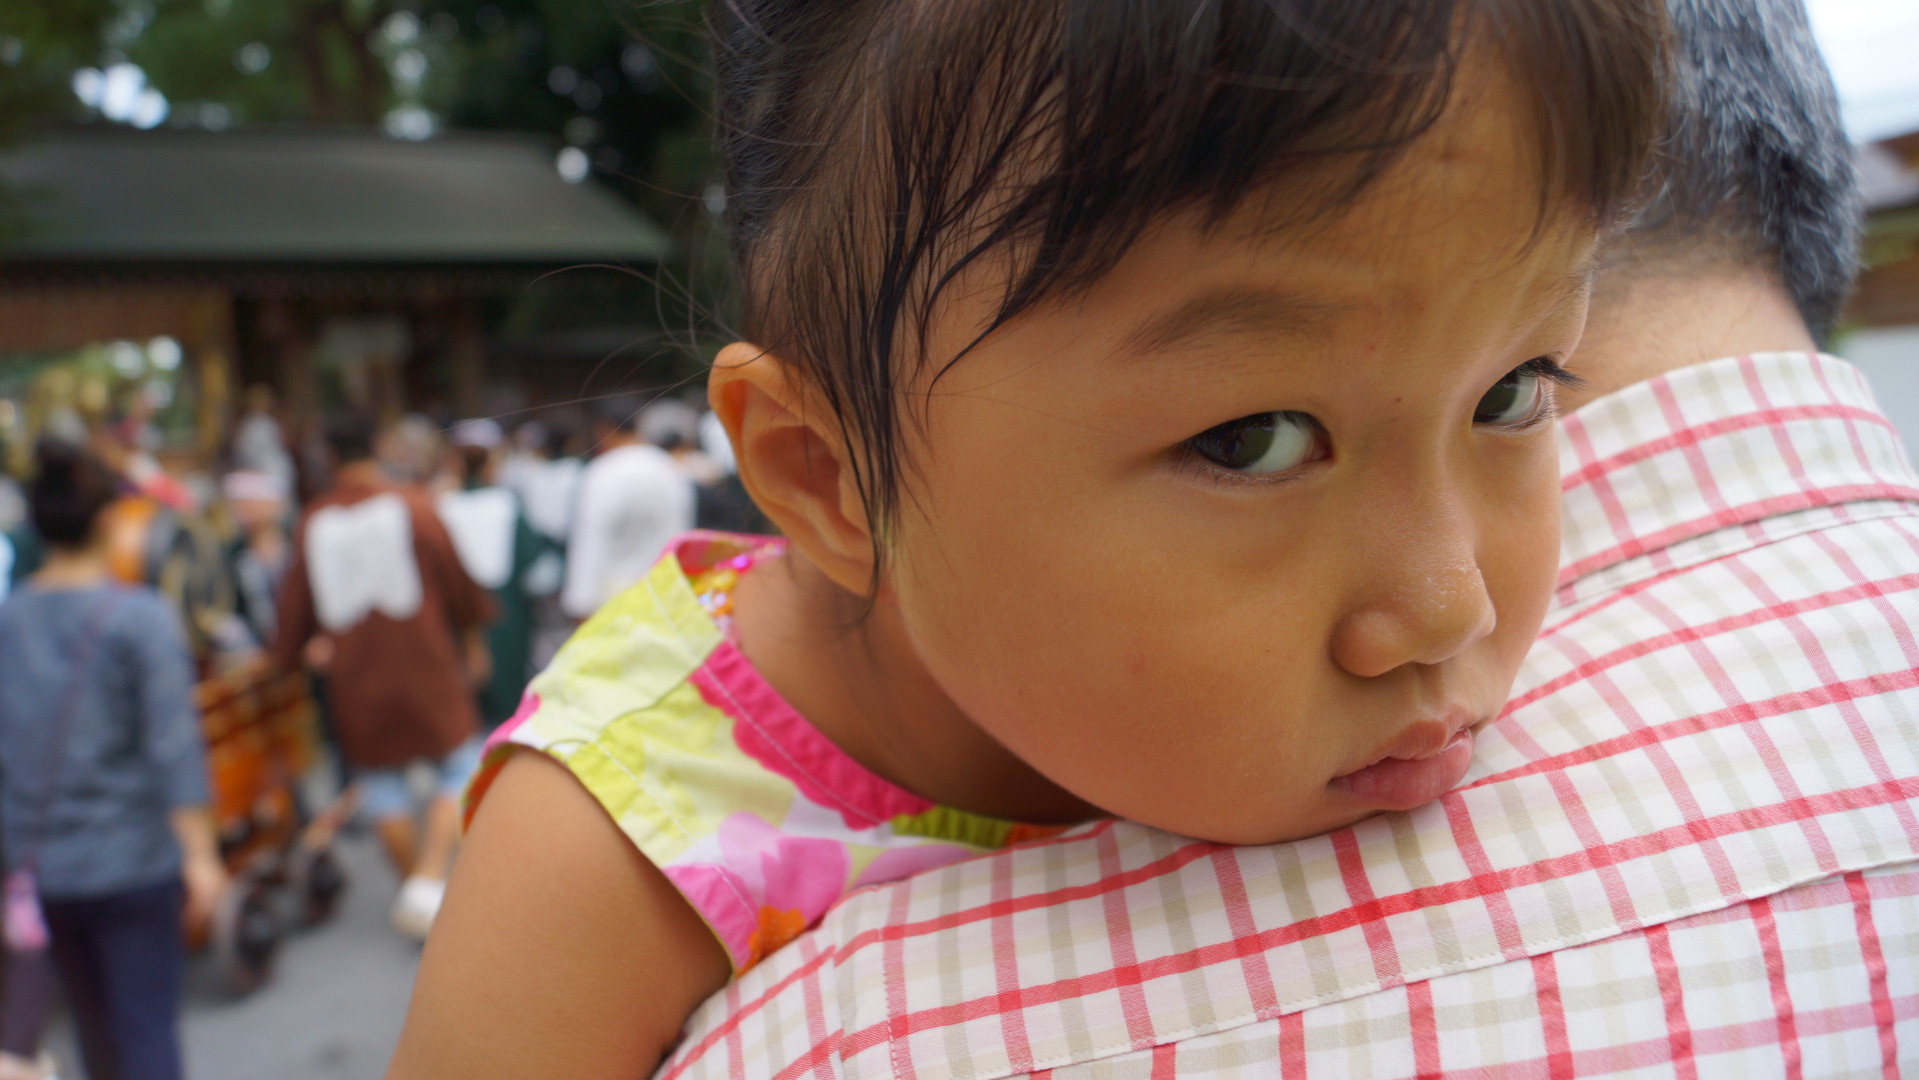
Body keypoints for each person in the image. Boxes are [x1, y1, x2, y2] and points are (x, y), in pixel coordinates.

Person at [575, 2, 1919, 1078]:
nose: (1447, 606)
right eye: (1251, 441)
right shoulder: (622, 844)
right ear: (831, 477)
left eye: (1513, 391)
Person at [0, 440, 225, 1080]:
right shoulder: (139, 618)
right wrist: (201, 855)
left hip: (45, 867)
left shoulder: (9, 622)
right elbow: (173, 746)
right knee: (146, 1029)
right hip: (134, 863)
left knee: (94, 1033)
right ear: (107, 520)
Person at [272, 414, 494, 940]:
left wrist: (284, 660)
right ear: (377, 446)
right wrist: (472, 639)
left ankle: (420, 891)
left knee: (381, 782)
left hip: (357, 675)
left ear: (328, 458)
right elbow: (457, 582)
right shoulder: (414, 506)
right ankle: (429, 879)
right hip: (425, 661)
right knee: (458, 763)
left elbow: (293, 609)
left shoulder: (312, 522)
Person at [437, 421, 556, 730]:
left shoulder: (443, 506)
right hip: (506, 612)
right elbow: (532, 558)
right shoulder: (506, 502)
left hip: (460, 618)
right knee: (510, 697)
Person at [556, 398, 695, 620]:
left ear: (602, 429)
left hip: (616, 603)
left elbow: (591, 541)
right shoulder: (670, 467)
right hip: (666, 596)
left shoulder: (603, 472)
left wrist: (581, 604)